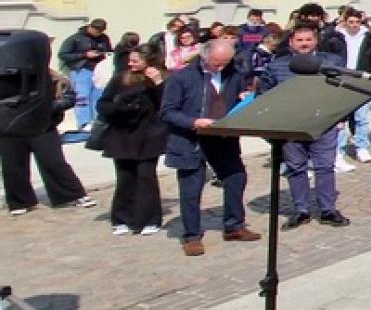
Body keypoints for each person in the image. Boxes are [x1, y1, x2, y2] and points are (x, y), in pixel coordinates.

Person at [159, 35, 254, 255]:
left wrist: (244, 98)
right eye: (217, 62)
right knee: (191, 188)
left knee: (236, 177)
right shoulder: (181, 78)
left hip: (223, 137)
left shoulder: (235, 75)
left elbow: (236, 100)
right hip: (191, 139)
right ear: (204, 57)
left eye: (225, 62)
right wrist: (193, 122)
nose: (221, 66)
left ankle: (234, 225)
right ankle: (192, 235)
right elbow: (167, 112)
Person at [259, 25, 350, 228]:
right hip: (291, 126)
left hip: (323, 123)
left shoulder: (332, 62)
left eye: (308, 39)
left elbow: (344, 91)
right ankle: (301, 210)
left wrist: (342, 117)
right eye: (299, 40)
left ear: (316, 41)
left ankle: (327, 210)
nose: (304, 44)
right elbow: (265, 95)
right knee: (296, 168)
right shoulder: (277, 66)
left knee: (325, 167)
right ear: (291, 42)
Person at [95, 46, 168, 236]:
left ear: (149, 60)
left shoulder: (162, 77)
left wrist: (158, 83)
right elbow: (103, 103)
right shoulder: (121, 77)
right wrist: (118, 109)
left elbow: (166, 106)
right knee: (125, 177)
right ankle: (121, 218)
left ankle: (149, 219)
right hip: (122, 134)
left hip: (148, 135)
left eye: (135, 60)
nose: (130, 63)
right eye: (130, 60)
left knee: (146, 177)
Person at [323, 6, 371, 165]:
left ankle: (361, 147)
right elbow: (327, 57)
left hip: (361, 79)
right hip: (341, 80)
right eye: (351, 22)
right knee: (341, 118)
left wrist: (369, 75)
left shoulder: (370, 38)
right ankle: (339, 151)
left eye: (357, 22)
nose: (354, 25)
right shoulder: (335, 38)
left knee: (362, 117)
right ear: (345, 22)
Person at [56, 18, 112, 131]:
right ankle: (83, 122)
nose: (98, 33)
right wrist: (85, 55)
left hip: (99, 70)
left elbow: (109, 50)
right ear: (90, 27)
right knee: (83, 96)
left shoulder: (104, 38)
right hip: (81, 69)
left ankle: (98, 121)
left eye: (101, 31)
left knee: (98, 96)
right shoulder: (75, 38)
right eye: (96, 30)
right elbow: (63, 54)